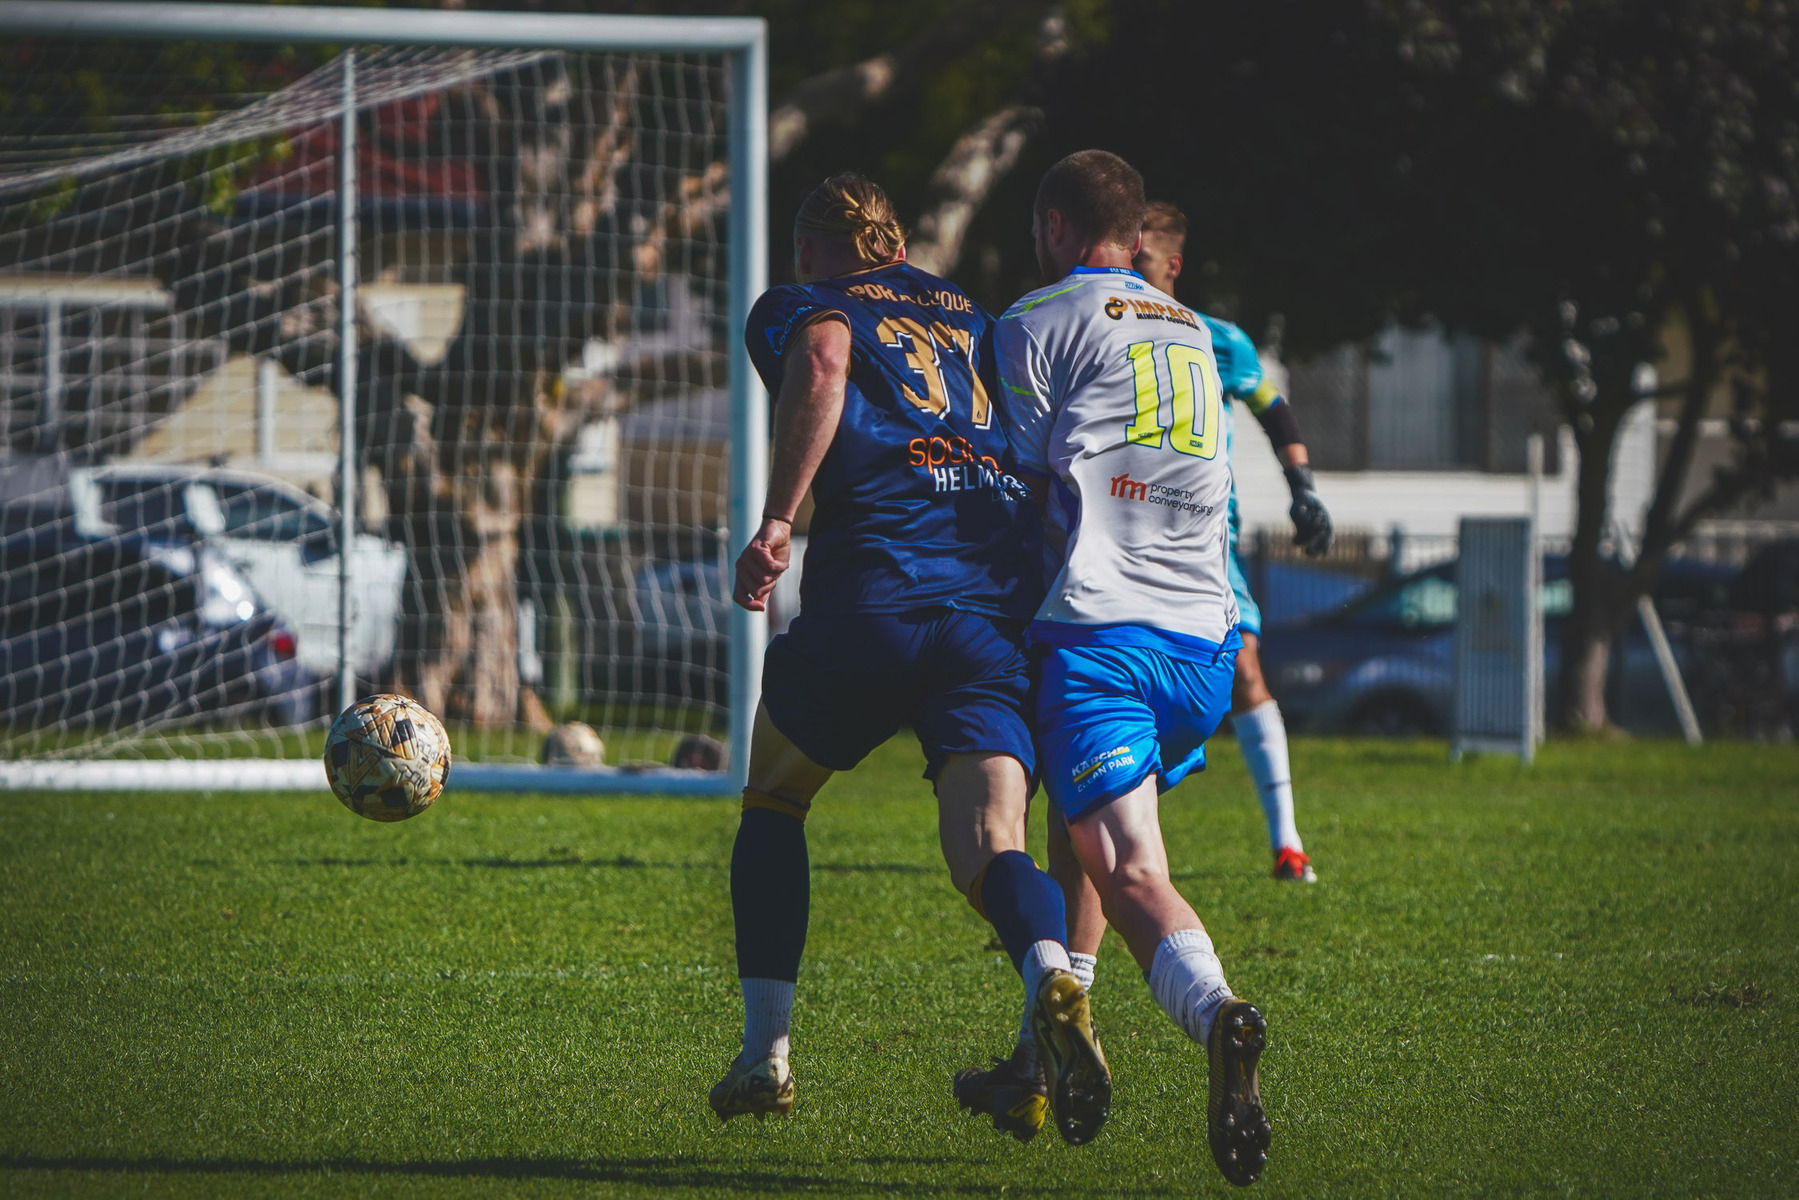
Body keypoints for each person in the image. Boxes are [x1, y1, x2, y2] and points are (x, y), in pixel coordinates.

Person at [710, 172, 1110, 1148]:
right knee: (990, 845)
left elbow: (821, 360)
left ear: (809, 249)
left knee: (773, 800)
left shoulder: (807, 300)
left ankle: (766, 1054)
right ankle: (1050, 972)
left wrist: (774, 523)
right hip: (987, 609)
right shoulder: (970, 314)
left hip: (876, 601)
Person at [960, 151, 1272, 1187]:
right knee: (1089, 834)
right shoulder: (1188, 325)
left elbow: (1015, 474)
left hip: (1102, 636)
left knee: (1132, 869)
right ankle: (1039, 1048)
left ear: (1054, 224)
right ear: (1135, 233)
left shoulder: (1034, 319)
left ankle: (1219, 1014)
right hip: (1204, 645)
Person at [1133, 201, 1331, 884]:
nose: (1126, 270)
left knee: (1244, 669)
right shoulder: (1102, 323)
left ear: (1172, 264)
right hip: (1122, 531)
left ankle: (1287, 842)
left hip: (1207, 536)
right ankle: (1113, 827)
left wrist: (1302, 488)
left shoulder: (1217, 338)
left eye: (1141, 260)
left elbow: (1274, 411)